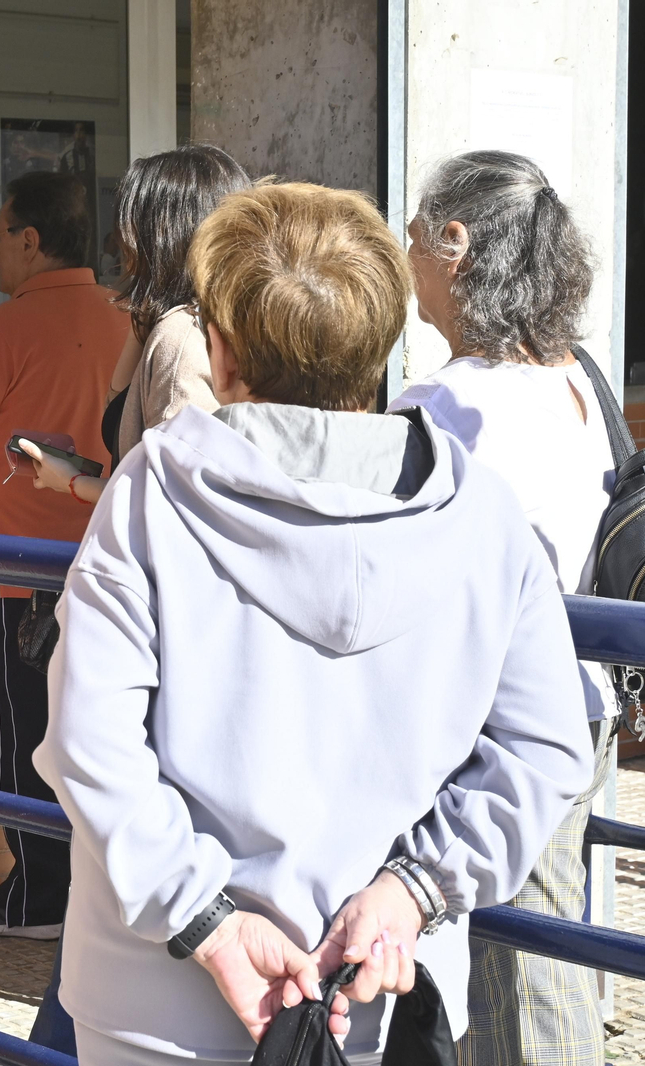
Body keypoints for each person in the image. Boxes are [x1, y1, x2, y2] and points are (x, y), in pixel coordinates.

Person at [34, 181, 593, 1065]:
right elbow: (546, 747)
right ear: (380, 348)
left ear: (219, 352)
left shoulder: (151, 493)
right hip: (383, 990)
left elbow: (90, 746)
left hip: (157, 1002)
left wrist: (209, 922)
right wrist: (414, 891)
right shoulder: (483, 515)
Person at [390, 149, 614, 1065]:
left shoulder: (445, 403)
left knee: (528, 981)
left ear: (457, 245)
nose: (405, 259)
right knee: (543, 958)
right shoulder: (580, 377)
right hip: (587, 702)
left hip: (500, 728)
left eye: (412, 237)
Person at [0, 170, 131, 939]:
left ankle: (38, 897)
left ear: (30, 241)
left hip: (24, 575)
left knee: (24, 735)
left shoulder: (6, 328)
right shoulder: (125, 316)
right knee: (94, 736)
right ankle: (85, 893)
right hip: (114, 567)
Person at [19, 145, 250, 503]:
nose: (121, 241)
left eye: (131, 225)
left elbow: (175, 498)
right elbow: (117, 406)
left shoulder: (180, 336)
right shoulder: (208, 321)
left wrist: (72, 481)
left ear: (162, 235)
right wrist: (147, 304)